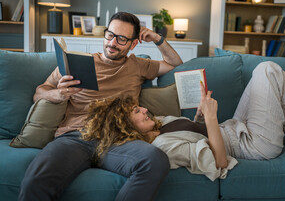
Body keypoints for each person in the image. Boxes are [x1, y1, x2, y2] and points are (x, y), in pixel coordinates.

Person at [81, 61, 285, 180]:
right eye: (136, 113)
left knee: (266, 71)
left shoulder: (158, 125)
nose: (143, 110)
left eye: (139, 107)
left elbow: (196, 131)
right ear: (127, 128)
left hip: (234, 126)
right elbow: (218, 162)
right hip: (253, 145)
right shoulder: (162, 148)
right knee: (269, 70)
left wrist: (198, 116)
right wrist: (210, 116)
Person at [18, 12, 183, 201]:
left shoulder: (138, 65)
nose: (112, 43)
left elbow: (175, 64)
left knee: (156, 160)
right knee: (35, 181)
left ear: (133, 44)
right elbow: (39, 93)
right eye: (110, 35)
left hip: (118, 140)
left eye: (122, 39)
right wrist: (57, 94)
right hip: (75, 137)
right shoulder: (75, 62)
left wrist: (157, 39)